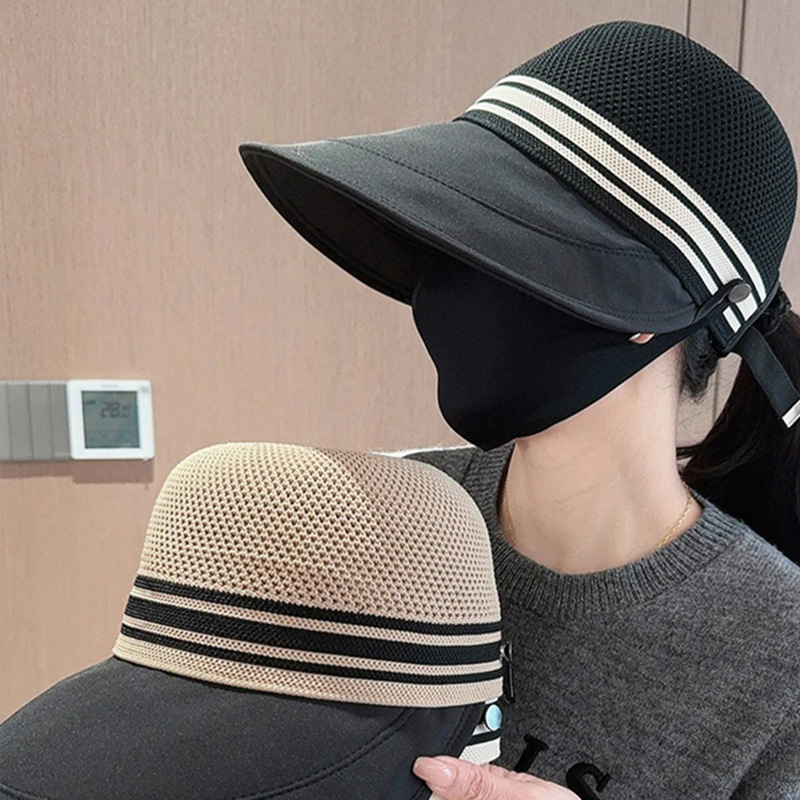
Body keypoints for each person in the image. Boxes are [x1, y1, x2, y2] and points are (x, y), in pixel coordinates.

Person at [239, 20, 800, 799]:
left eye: (509, 246)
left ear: (653, 308)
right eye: (451, 239)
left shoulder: (778, 661)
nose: (453, 284)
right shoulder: (378, 520)